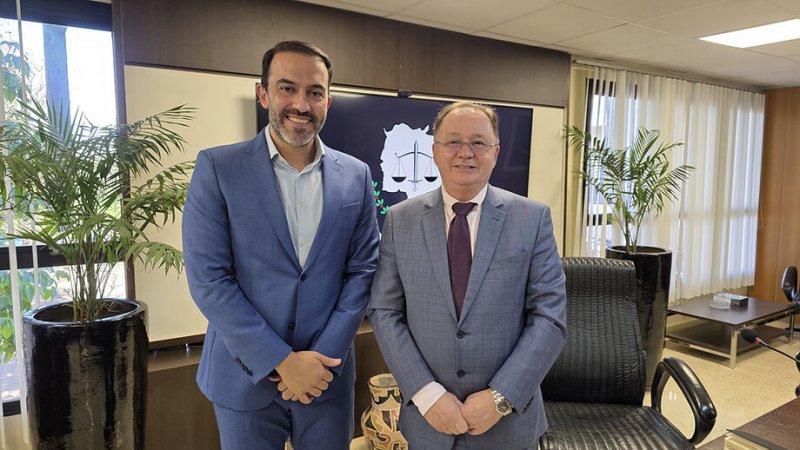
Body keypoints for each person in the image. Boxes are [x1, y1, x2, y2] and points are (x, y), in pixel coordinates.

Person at [182, 41, 380, 450]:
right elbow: (209, 280)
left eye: (315, 92)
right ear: (263, 93)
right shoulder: (218, 168)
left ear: (328, 101)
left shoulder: (356, 175)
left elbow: (363, 271)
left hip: (327, 378)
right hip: (243, 377)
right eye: (287, 88)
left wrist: (321, 361)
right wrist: (281, 361)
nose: (301, 104)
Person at [368, 101, 567, 449]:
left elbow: (549, 318)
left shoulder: (532, 219)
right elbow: (384, 312)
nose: (465, 152)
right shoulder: (401, 220)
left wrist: (500, 397)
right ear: (434, 151)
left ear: (495, 153)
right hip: (429, 422)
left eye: (478, 142)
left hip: (508, 425)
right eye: (453, 141)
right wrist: (427, 395)